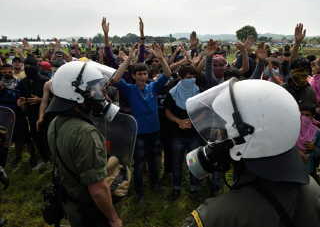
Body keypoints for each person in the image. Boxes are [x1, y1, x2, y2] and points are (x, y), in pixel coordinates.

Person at [183, 79, 320, 226]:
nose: (217, 135)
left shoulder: (212, 218)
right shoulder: (315, 192)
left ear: (251, 140)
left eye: (224, 127)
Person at [46, 61, 122, 227]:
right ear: (76, 94)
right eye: (93, 89)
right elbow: (98, 190)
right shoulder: (86, 134)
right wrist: (113, 219)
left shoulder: (56, 123)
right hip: (89, 212)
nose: (98, 93)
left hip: (71, 202)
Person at [113, 41, 172, 204]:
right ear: (134, 76)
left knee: (154, 160)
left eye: (145, 74)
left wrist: (161, 59)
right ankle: (139, 192)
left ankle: (154, 183)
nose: (142, 77)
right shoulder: (130, 90)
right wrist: (128, 59)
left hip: (154, 132)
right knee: (139, 164)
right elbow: (116, 78)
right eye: (139, 74)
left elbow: (167, 74)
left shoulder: (153, 87)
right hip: (139, 133)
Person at [164, 63, 203, 202]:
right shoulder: (173, 93)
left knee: (194, 163)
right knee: (177, 163)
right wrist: (179, 121)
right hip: (178, 136)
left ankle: (194, 188)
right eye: (188, 78)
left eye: (193, 77)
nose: (191, 80)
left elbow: (201, 111)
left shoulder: (197, 91)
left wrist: (193, 120)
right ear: (180, 78)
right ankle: (176, 188)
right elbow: (167, 112)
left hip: (194, 136)